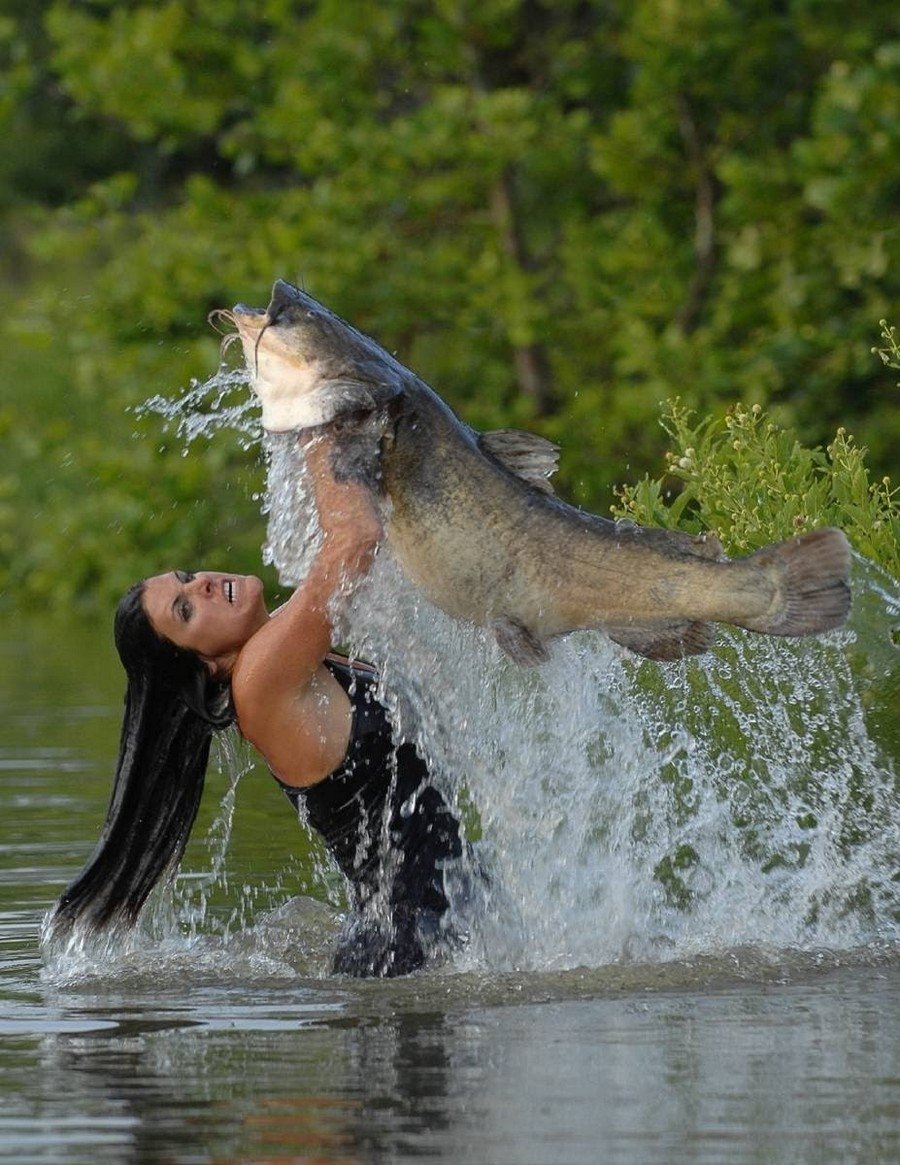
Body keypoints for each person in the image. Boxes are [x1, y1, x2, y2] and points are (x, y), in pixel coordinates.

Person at [48, 433, 477, 977]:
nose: (201, 583)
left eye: (186, 578)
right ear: (203, 665)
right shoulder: (260, 681)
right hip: (412, 958)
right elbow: (354, 541)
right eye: (185, 610)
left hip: (432, 932)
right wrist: (318, 424)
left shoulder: (283, 658)